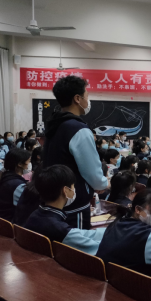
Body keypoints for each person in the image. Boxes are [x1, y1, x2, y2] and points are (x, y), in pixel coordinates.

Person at [42, 75, 108, 229]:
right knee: (74, 243)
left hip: (53, 199)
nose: (88, 101)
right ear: (77, 98)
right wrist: (103, 183)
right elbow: (92, 172)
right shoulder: (78, 129)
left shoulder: (55, 123)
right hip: (73, 204)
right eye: (87, 96)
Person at [24, 165, 106, 255]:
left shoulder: (35, 215)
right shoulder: (59, 229)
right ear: (66, 190)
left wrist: (108, 232)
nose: (74, 190)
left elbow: (79, 234)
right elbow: (98, 248)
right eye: (73, 186)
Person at [96, 189, 151, 276]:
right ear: (138, 209)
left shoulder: (118, 222)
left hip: (105, 278)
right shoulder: (148, 235)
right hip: (128, 282)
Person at [0, 149, 30, 221]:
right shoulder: (18, 185)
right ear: (20, 164)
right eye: (28, 161)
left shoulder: (2, 175)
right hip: (7, 221)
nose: (29, 164)